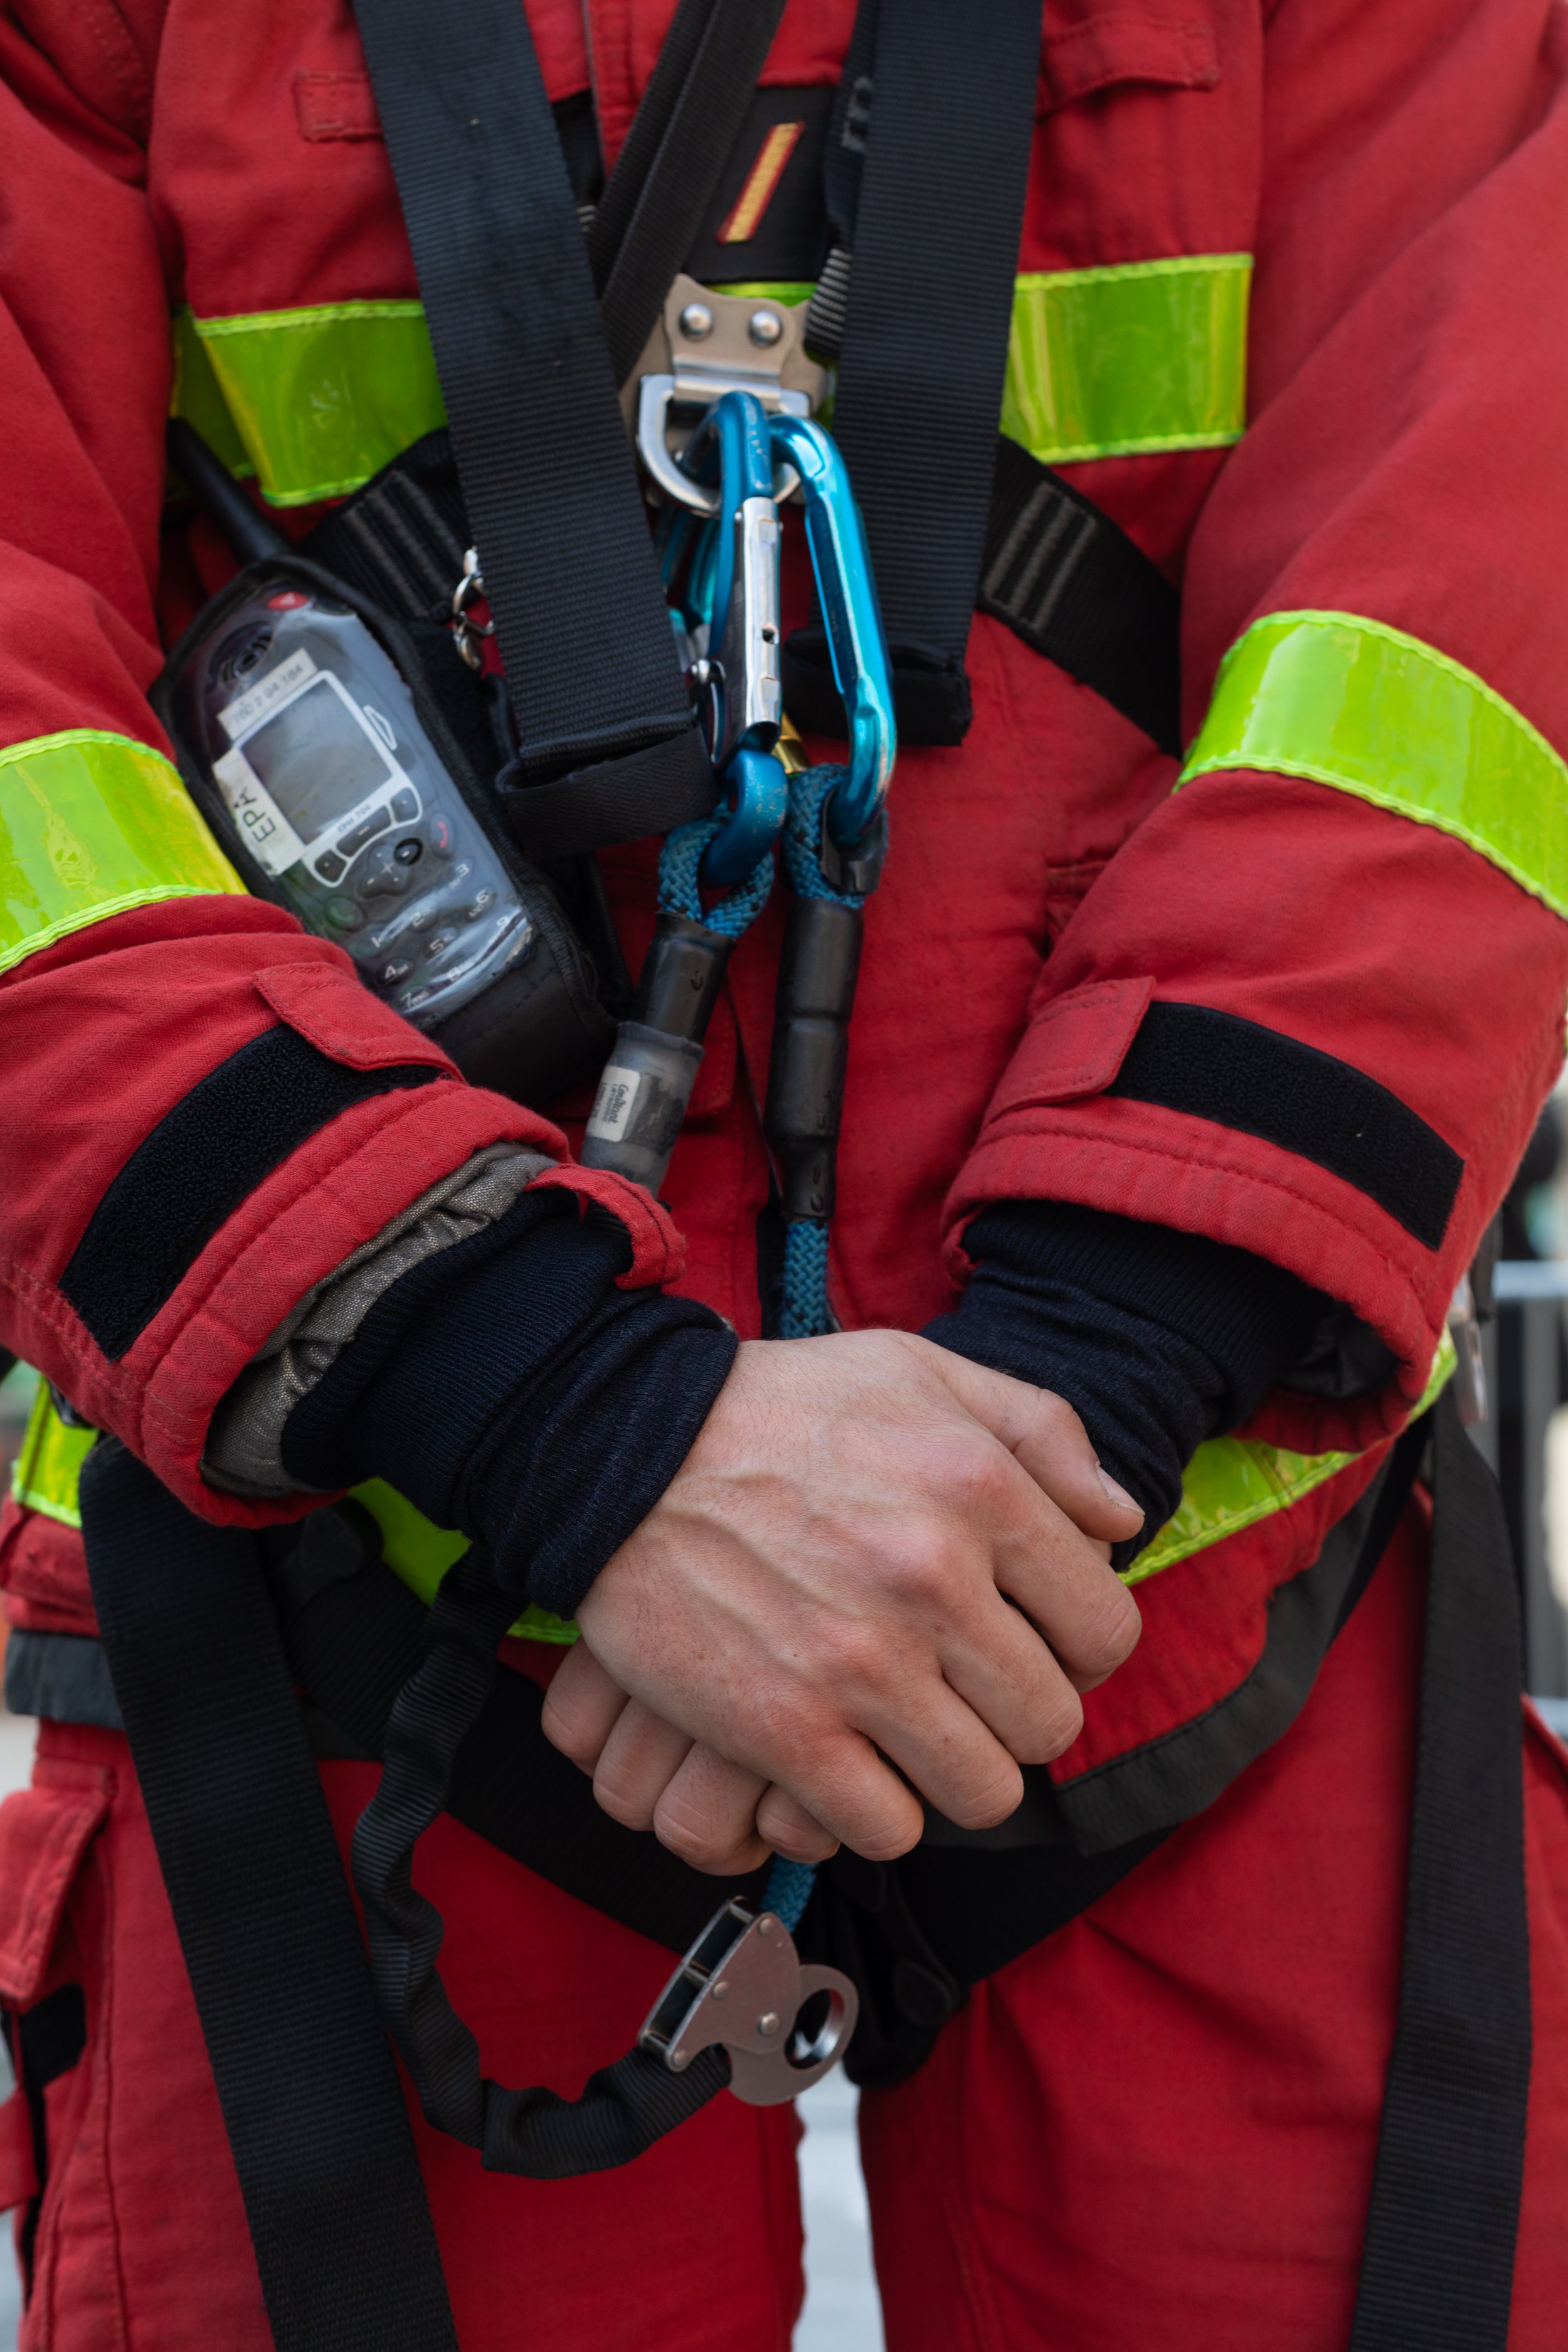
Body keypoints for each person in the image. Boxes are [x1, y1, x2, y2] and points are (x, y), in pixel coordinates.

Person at [0, 0, 1565, 2346]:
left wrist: (1110, 1343)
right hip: (353, 1605)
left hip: (1191, 1615)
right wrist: (526, 1386)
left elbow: (1482, 584)